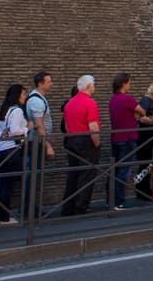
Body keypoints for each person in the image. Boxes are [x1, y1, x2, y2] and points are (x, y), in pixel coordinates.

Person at [59, 74, 101, 218]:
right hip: (85, 141)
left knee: (73, 174)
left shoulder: (69, 103)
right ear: (89, 86)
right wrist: (97, 142)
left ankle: (68, 207)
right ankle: (81, 207)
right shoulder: (90, 103)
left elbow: (66, 124)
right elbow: (93, 127)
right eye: (94, 84)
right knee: (87, 174)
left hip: (71, 140)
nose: (94, 87)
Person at [0, 84, 29, 223]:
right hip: (12, 150)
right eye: (24, 94)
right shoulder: (17, 111)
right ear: (18, 95)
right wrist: (26, 129)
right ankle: (4, 219)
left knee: (5, 183)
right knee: (8, 185)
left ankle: (2, 216)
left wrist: (5, 135)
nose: (25, 97)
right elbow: (14, 131)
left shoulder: (5, 110)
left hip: (0, 149)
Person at [107, 73, 139, 210]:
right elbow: (141, 111)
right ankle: (119, 201)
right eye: (129, 82)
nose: (130, 85)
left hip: (116, 138)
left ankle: (111, 200)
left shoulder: (112, 99)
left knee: (114, 169)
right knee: (124, 171)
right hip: (128, 138)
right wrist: (135, 115)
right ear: (124, 83)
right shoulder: (128, 99)